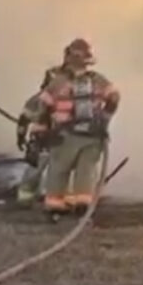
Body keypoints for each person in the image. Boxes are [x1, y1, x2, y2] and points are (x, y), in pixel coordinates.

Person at [36, 38, 120, 220]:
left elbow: (43, 106)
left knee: (59, 169)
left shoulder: (58, 82)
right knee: (87, 171)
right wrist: (104, 120)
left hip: (64, 135)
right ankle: (83, 207)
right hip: (92, 136)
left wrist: (41, 131)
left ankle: (55, 207)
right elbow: (114, 98)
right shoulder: (98, 80)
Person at [14, 75, 53, 206]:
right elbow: (24, 119)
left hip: (59, 140)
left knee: (57, 170)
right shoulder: (37, 100)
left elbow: (23, 120)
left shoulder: (67, 98)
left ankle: (47, 195)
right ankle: (25, 196)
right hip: (42, 140)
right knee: (35, 169)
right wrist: (20, 137)